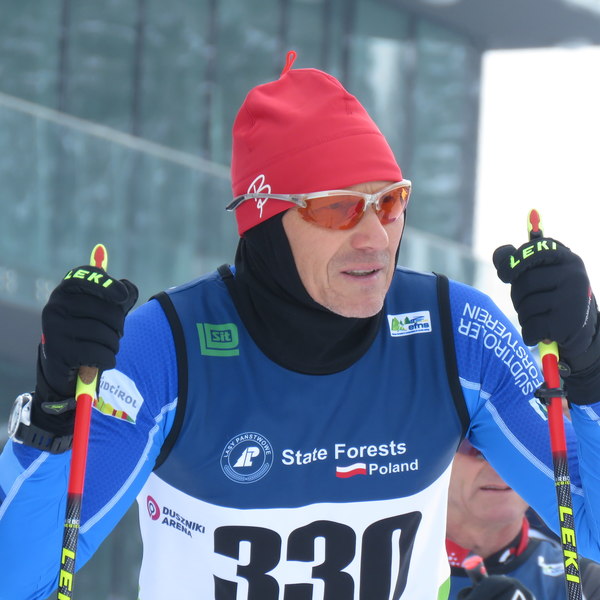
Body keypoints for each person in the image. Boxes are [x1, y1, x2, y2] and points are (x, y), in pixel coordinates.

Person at [2, 50, 600, 600]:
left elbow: (591, 526)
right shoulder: (166, 349)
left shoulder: (457, 333)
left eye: (389, 202)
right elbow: (18, 580)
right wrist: (53, 413)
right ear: (266, 222)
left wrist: (589, 361)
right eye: (339, 208)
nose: (375, 237)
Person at [446, 439, 600, 599]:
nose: (502, 466)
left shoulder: (586, 581)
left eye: (520, 449)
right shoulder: (425, 572)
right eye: (478, 450)